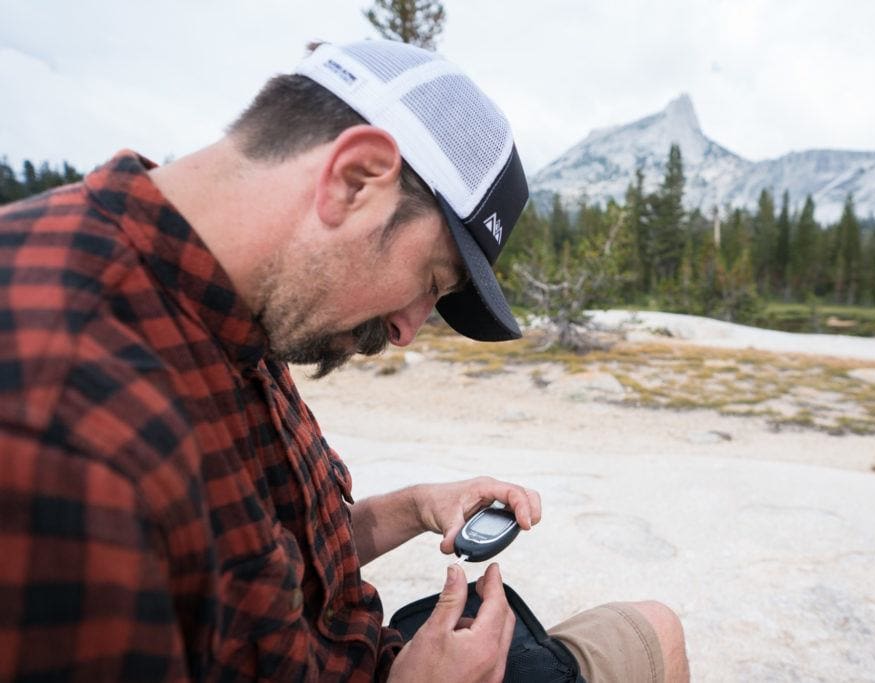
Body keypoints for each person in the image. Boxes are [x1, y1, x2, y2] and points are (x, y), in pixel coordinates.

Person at [0, 39, 688, 681]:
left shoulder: (240, 300)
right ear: (354, 179)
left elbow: (271, 562)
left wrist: (419, 505)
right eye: (432, 282)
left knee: (652, 628)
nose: (408, 330)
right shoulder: (58, 417)